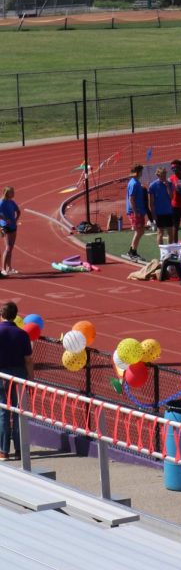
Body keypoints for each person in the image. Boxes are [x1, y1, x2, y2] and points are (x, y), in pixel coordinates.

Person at [0, 301, 33, 460]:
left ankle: (3, 451)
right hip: (20, 375)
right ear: (15, 316)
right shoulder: (22, 334)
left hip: (2, 375)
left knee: (3, 412)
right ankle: (20, 450)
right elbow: (28, 359)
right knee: (19, 411)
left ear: (2, 315)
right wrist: (31, 379)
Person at [124, 164, 149, 261]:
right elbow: (131, 198)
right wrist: (135, 212)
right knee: (139, 231)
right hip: (135, 211)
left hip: (139, 210)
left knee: (140, 231)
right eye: (141, 171)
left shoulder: (135, 182)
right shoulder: (134, 183)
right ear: (138, 172)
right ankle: (132, 251)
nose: (142, 173)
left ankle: (132, 250)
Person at [148, 167, 176, 245]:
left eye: (165, 174)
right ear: (158, 175)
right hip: (159, 213)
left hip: (168, 212)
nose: (164, 176)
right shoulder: (153, 186)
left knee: (170, 232)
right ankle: (162, 252)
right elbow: (151, 203)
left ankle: (170, 250)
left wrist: (167, 186)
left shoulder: (170, 184)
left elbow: (171, 197)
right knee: (160, 232)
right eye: (162, 174)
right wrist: (153, 215)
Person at [0, 187, 21, 276]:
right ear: (6, 193)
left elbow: (18, 211)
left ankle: (9, 268)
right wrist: (5, 219)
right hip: (6, 226)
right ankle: (3, 269)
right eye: (12, 192)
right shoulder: (2, 202)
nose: (13, 193)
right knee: (8, 248)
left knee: (11, 248)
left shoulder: (12, 202)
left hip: (13, 226)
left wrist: (15, 219)